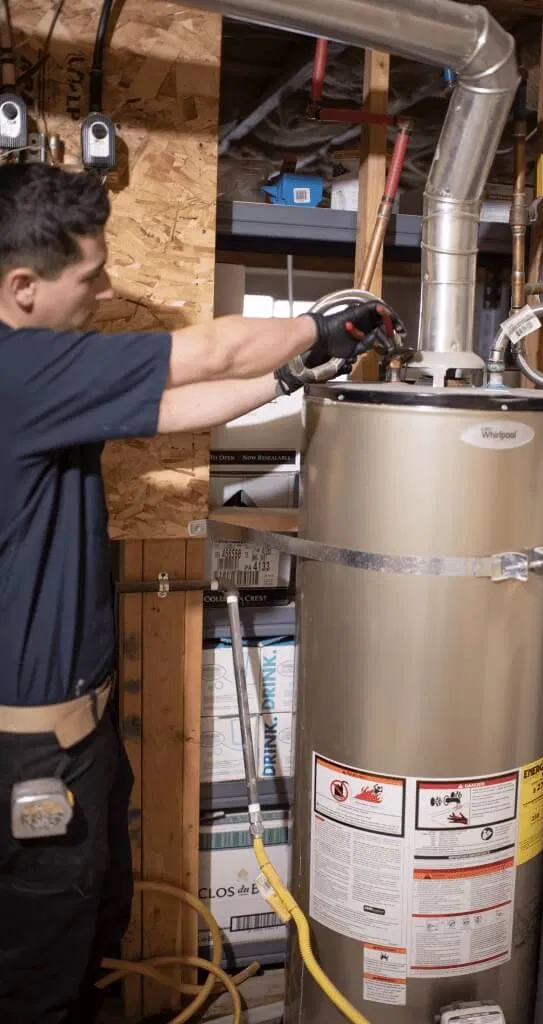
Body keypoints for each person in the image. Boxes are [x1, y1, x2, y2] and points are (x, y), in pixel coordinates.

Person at [0, 162, 406, 1024]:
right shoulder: (16, 372)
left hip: (73, 738)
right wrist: (317, 321)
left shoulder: (36, 385)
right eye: (90, 275)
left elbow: (173, 405)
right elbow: (213, 350)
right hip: (30, 756)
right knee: (36, 971)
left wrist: (295, 378)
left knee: (82, 931)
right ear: (22, 287)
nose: (108, 288)